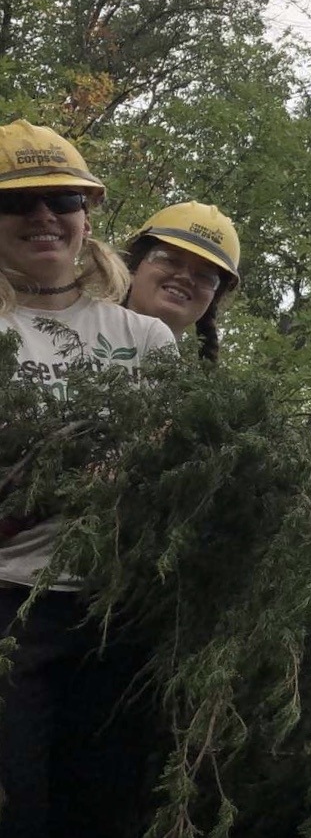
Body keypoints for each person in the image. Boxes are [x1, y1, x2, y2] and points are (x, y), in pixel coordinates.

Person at [0, 119, 176, 837]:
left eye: (62, 199)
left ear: (85, 216)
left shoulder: (144, 337)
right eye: (20, 201)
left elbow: (171, 467)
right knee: (18, 806)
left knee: (105, 809)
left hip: (116, 608)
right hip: (10, 604)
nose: (44, 215)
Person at [123, 201, 240, 361]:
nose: (185, 277)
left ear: (213, 297)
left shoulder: (191, 384)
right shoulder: (80, 328)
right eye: (170, 260)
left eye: (204, 275)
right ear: (134, 265)